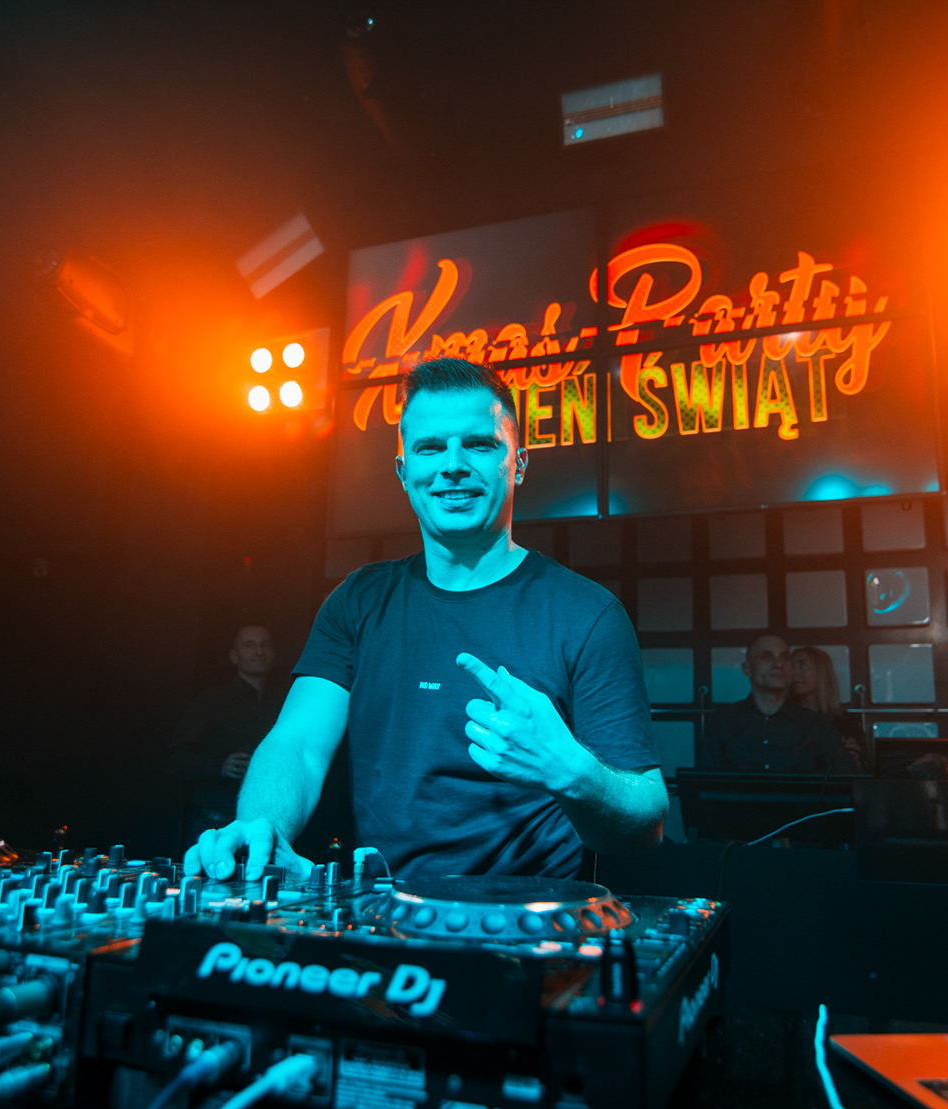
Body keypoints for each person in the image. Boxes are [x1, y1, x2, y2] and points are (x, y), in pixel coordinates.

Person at [189, 358, 665, 884]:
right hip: (384, 914)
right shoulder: (358, 602)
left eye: (479, 445)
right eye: (430, 448)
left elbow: (647, 821)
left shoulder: (586, 614)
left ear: (519, 464)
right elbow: (297, 745)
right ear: (403, 472)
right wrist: (261, 825)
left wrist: (571, 771)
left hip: (528, 920)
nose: (453, 465)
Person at [163, 624, 287, 833]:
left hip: (266, 822)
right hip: (214, 821)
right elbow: (174, 759)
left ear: (274, 654)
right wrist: (220, 766)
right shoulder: (212, 700)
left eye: (265, 645)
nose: (259, 651)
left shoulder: (283, 705)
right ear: (234, 656)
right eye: (250, 645)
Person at [699, 634, 862, 774]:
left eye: (784, 658)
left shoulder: (817, 725)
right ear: (747, 669)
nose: (778, 664)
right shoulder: (722, 722)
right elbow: (706, 785)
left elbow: (847, 783)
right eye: (766, 657)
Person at [790, 645, 866, 767]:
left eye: (803, 666)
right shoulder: (785, 718)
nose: (794, 673)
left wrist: (854, 759)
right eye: (791, 667)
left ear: (822, 672)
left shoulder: (845, 722)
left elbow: (863, 769)